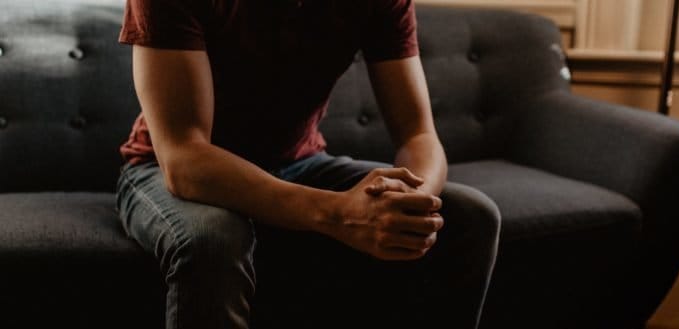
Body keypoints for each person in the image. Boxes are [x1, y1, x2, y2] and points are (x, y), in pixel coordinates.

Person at [115, 0, 500, 328]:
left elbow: (418, 135)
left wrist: (408, 206)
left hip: (299, 163)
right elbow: (184, 158)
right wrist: (339, 214)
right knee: (213, 240)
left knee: (470, 217)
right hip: (163, 168)